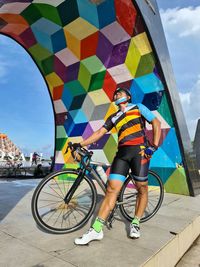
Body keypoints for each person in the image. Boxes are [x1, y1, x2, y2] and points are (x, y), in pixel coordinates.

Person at [72, 87, 161, 245]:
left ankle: (135, 222)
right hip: (122, 154)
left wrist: (153, 146)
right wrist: (80, 143)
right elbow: (99, 133)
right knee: (111, 190)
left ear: (128, 96)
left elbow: (156, 123)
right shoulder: (113, 117)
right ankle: (97, 230)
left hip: (139, 152)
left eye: (120, 92)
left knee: (142, 188)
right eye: (115, 93)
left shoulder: (138, 107)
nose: (116, 94)